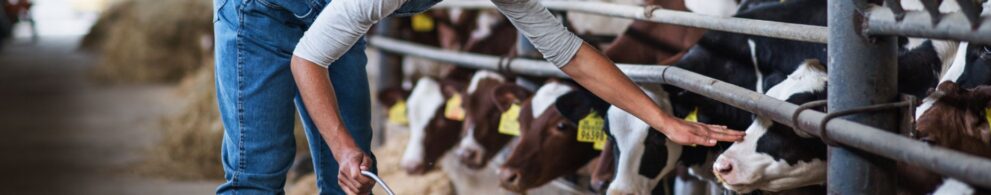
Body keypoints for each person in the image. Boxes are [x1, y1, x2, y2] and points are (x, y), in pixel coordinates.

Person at [212, 0, 746, 194]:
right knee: (260, 172)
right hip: (260, 14)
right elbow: (307, 61)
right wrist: (341, 144)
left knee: (350, 179)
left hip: (331, 19)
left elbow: (569, 53)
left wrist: (666, 121)